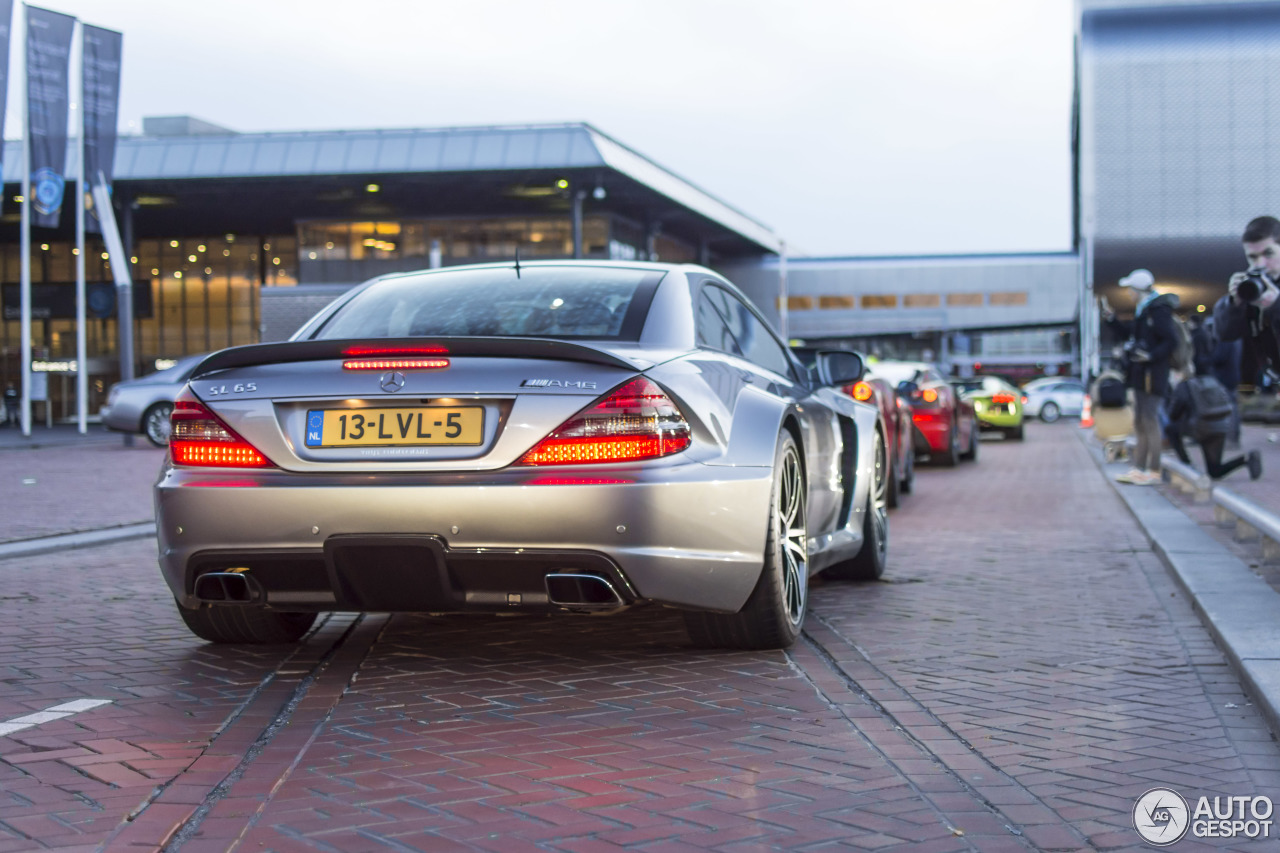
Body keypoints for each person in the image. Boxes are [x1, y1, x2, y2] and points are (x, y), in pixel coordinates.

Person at [1104, 268, 1180, 485]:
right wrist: (1112, 320)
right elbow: (1131, 334)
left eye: (1130, 288)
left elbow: (1170, 341)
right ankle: (1140, 468)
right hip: (1142, 373)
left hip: (1152, 374)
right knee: (1140, 420)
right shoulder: (1144, 310)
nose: (1128, 292)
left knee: (1149, 420)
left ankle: (1152, 470)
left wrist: (1151, 356)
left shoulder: (1157, 311)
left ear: (1138, 289)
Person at [1213, 215, 1280, 378]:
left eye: (1268, 253)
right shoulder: (1253, 288)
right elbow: (1225, 334)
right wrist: (1234, 303)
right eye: (1253, 257)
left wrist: (1276, 305)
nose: (1260, 264)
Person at [1166, 372, 1262, 480]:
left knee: (1170, 429)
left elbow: (1173, 414)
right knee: (1214, 471)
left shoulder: (1184, 386)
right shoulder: (1213, 381)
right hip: (1219, 427)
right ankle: (1246, 459)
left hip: (1198, 428)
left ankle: (1186, 463)